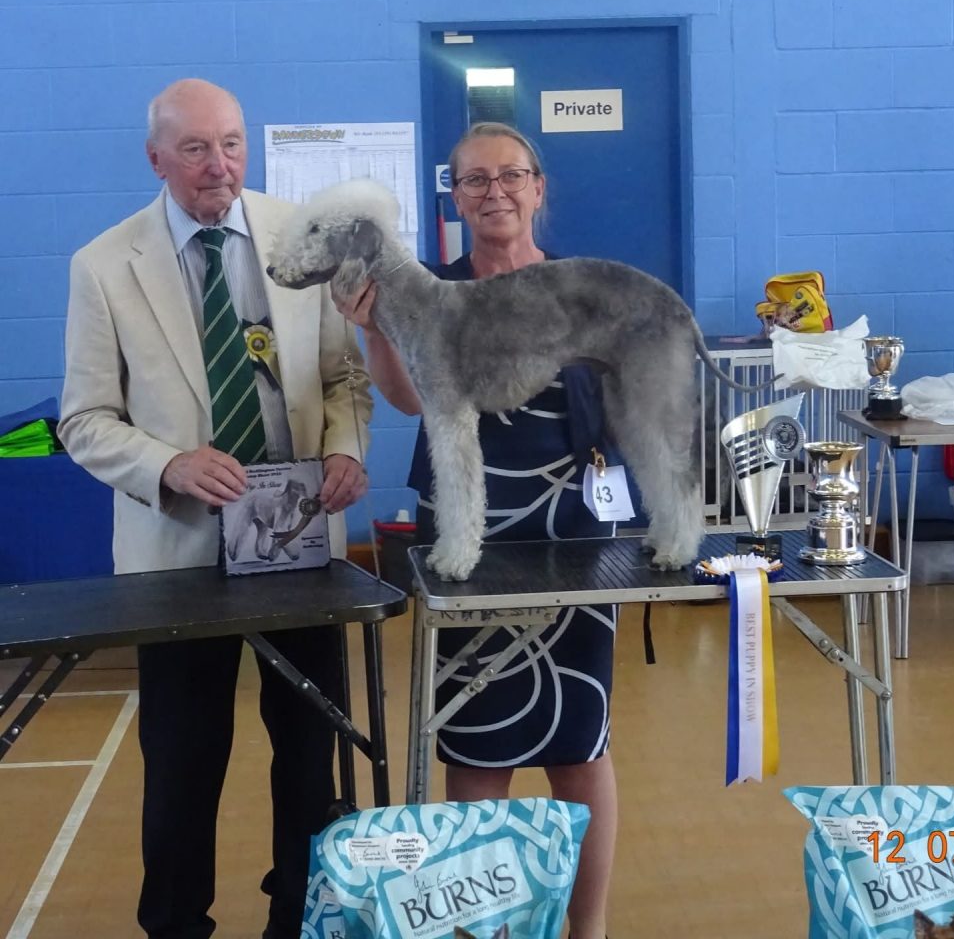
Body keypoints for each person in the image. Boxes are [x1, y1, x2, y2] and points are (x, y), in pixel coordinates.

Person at [57, 78, 373, 939]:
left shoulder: (300, 242)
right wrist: (170, 464)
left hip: (301, 546)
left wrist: (346, 446)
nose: (218, 164)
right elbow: (82, 421)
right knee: (185, 763)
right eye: (195, 148)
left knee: (311, 755)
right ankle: (175, 924)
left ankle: (301, 916)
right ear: (155, 157)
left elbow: (346, 377)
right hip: (176, 558)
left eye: (231, 143)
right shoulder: (103, 265)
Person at [338, 122, 618, 939]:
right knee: (477, 743)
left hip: (572, 534)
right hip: (468, 539)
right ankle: (484, 926)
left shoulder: (586, 287)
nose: (494, 191)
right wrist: (375, 329)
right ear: (453, 197)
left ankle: (587, 929)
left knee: (582, 745)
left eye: (511, 176)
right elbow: (411, 403)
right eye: (474, 180)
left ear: (538, 188)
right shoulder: (428, 289)